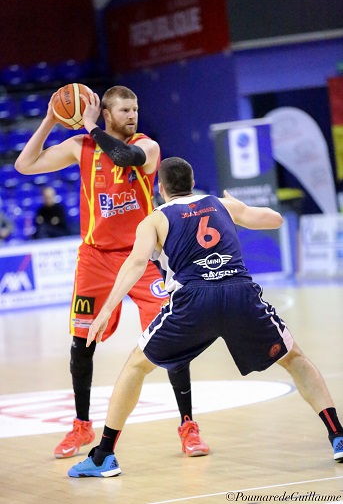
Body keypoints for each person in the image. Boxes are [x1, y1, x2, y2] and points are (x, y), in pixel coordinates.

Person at [67, 156, 343, 478]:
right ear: (193, 180)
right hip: (239, 291)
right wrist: (237, 205)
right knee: (294, 358)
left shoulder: (154, 220)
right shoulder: (221, 205)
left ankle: (103, 455)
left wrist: (106, 309)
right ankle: (337, 435)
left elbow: (136, 264)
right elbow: (275, 220)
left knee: (135, 366)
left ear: (161, 188)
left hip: (194, 300)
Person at [14, 88, 208, 459]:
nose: (132, 114)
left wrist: (90, 128)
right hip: (95, 259)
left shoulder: (147, 146)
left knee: (171, 336)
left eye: (135, 108)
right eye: (124, 109)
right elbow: (24, 165)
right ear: (106, 112)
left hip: (139, 257)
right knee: (81, 342)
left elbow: (125, 156)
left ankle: (188, 426)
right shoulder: (79, 147)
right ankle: (82, 426)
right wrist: (52, 118)